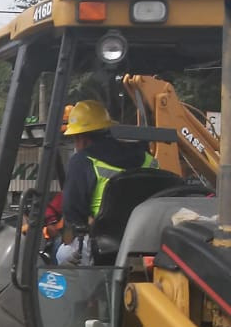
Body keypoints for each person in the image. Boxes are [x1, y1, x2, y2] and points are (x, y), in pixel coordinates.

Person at [55, 100, 157, 264]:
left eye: (75, 139)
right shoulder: (148, 159)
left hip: (104, 246)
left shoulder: (82, 161)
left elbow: (72, 212)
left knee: (62, 254)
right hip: (147, 241)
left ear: (82, 138)